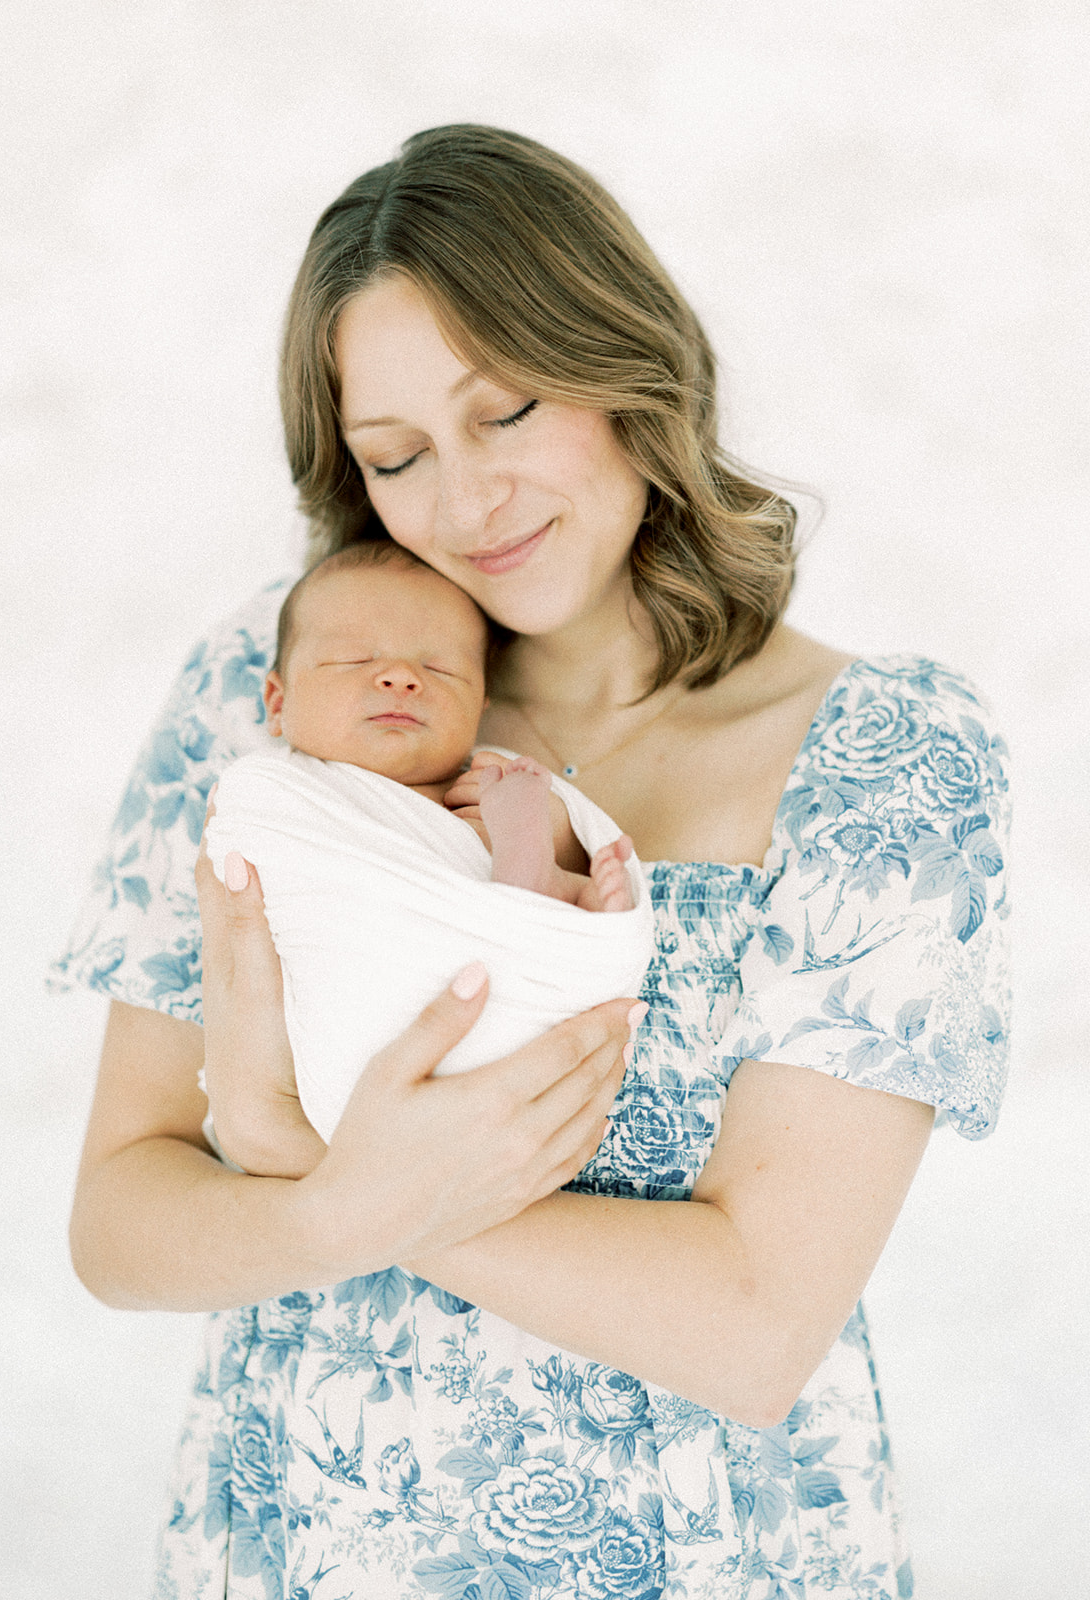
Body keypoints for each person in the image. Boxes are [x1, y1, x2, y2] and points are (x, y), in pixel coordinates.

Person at [56, 124, 1010, 1600]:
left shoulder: (882, 752)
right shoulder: (284, 694)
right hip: (306, 1541)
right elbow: (120, 1225)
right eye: (395, 456)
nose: (464, 501)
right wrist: (329, 1214)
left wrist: (312, 1166)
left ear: (629, 367)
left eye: (507, 411)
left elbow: (756, 1328)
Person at [202, 539, 650, 1147]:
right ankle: (531, 889)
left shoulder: (493, 786)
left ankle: (543, 889)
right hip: (352, 1049)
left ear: (480, 704)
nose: (400, 677)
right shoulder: (281, 793)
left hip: (516, 1038)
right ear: (278, 703)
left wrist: (543, 835)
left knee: (540, 845)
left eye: (441, 670)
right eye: (351, 659)